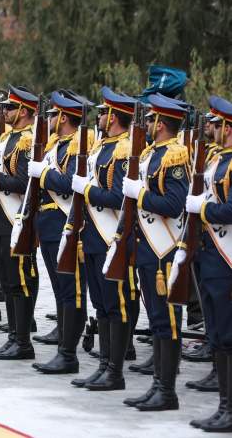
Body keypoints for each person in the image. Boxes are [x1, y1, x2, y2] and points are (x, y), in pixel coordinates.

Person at [121, 93, 189, 409]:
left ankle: (167, 391)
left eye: (150, 119)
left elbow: (174, 206)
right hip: (148, 246)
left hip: (163, 249)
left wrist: (141, 195)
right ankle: (158, 385)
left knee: (167, 320)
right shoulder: (153, 153)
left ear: (161, 123)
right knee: (157, 319)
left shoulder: (174, 156)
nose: (146, 124)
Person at [69, 86, 136, 390]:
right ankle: (104, 365)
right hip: (93, 237)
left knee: (113, 303)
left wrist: (87, 190)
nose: (99, 117)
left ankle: (115, 372)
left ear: (114, 117)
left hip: (111, 236)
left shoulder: (122, 149)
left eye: (104, 112)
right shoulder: (103, 146)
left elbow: (117, 197)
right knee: (101, 304)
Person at [28, 91, 92, 373]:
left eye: (53, 115)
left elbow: (69, 185)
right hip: (50, 227)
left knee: (72, 292)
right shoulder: (58, 145)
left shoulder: (77, 146)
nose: (50, 120)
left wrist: (43, 173)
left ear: (64, 117)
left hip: (66, 227)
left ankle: (68, 354)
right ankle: (63, 345)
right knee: (60, 289)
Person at [0, 85, 39, 360]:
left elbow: (23, 183)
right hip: (1, 219)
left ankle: (23, 341)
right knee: (9, 280)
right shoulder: (8, 138)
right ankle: (13, 337)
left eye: (10, 108)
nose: (4, 112)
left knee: (20, 279)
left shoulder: (26, 141)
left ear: (24, 112)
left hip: (17, 219)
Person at [184, 95, 232, 432]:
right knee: (216, 333)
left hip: (226, 259)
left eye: (216, 125)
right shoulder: (219, 160)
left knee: (228, 335)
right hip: (210, 256)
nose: (211, 130)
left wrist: (202, 209)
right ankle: (223, 406)